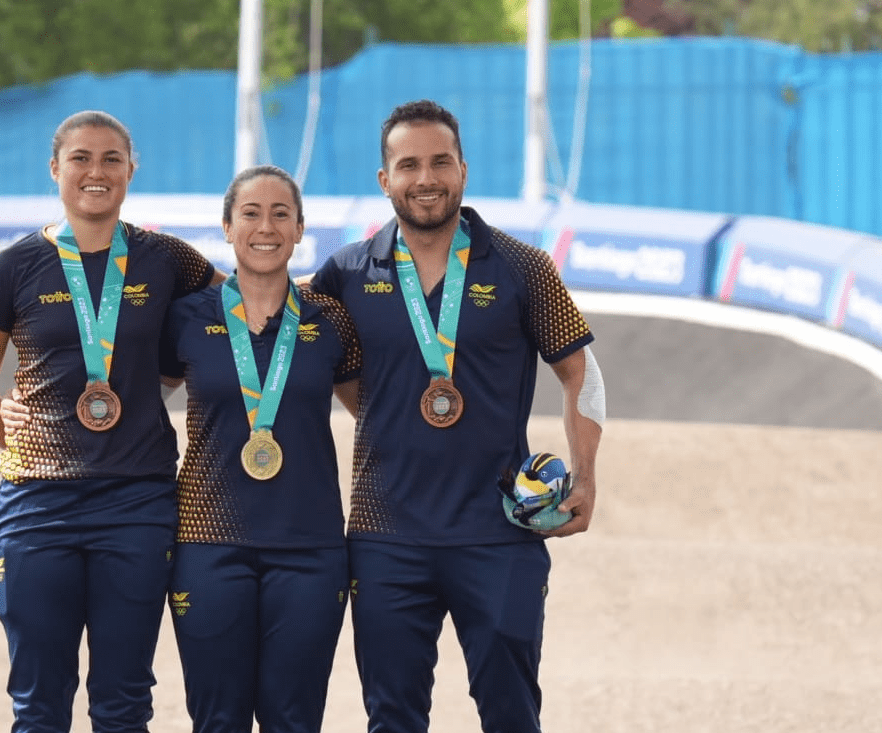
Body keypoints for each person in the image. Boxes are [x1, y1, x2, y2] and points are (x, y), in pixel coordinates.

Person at [308, 99, 604, 733]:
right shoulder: (347, 273)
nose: (426, 178)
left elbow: (582, 371)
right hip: (385, 536)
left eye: (441, 162)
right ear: (384, 179)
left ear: (463, 171)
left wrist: (585, 476)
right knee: (392, 719)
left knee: (511, 714)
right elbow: (300, 354)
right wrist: (381, 414)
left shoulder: (523, 267)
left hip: (499, 532)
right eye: (408, 165)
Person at [0, 109, 218, 733]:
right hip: (36, 509)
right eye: (80, 159)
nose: (95, 172)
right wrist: (25, 439)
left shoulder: (166, 260)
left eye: (110, 160)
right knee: (38, 705)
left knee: (123, 702)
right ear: (55, 169)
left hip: (136, 501)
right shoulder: (13, 266)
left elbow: (245, 314)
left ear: (131, 171)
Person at [159, 165, 361, 733]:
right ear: (227, 227)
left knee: (293, 721)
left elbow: (375, 409)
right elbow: (131, 396)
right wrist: (22, 400)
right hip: (207, 544)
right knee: (217, 721)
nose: (265, 226)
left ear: (300, 229)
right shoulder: (188, 318)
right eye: (250, 213)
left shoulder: (330, 319)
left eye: (280, 214)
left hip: (310, 549)